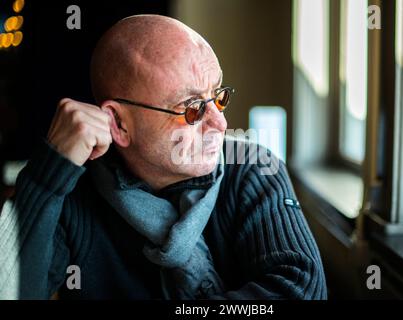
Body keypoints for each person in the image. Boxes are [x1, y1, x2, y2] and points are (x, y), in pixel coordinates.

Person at [0, 14, 327, 299]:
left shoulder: (255, 168)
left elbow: (302, 289)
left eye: (218, 96)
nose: (220, 123)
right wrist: (45, 179)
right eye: (192, 108)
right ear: (119, 124)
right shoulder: (73, 196)